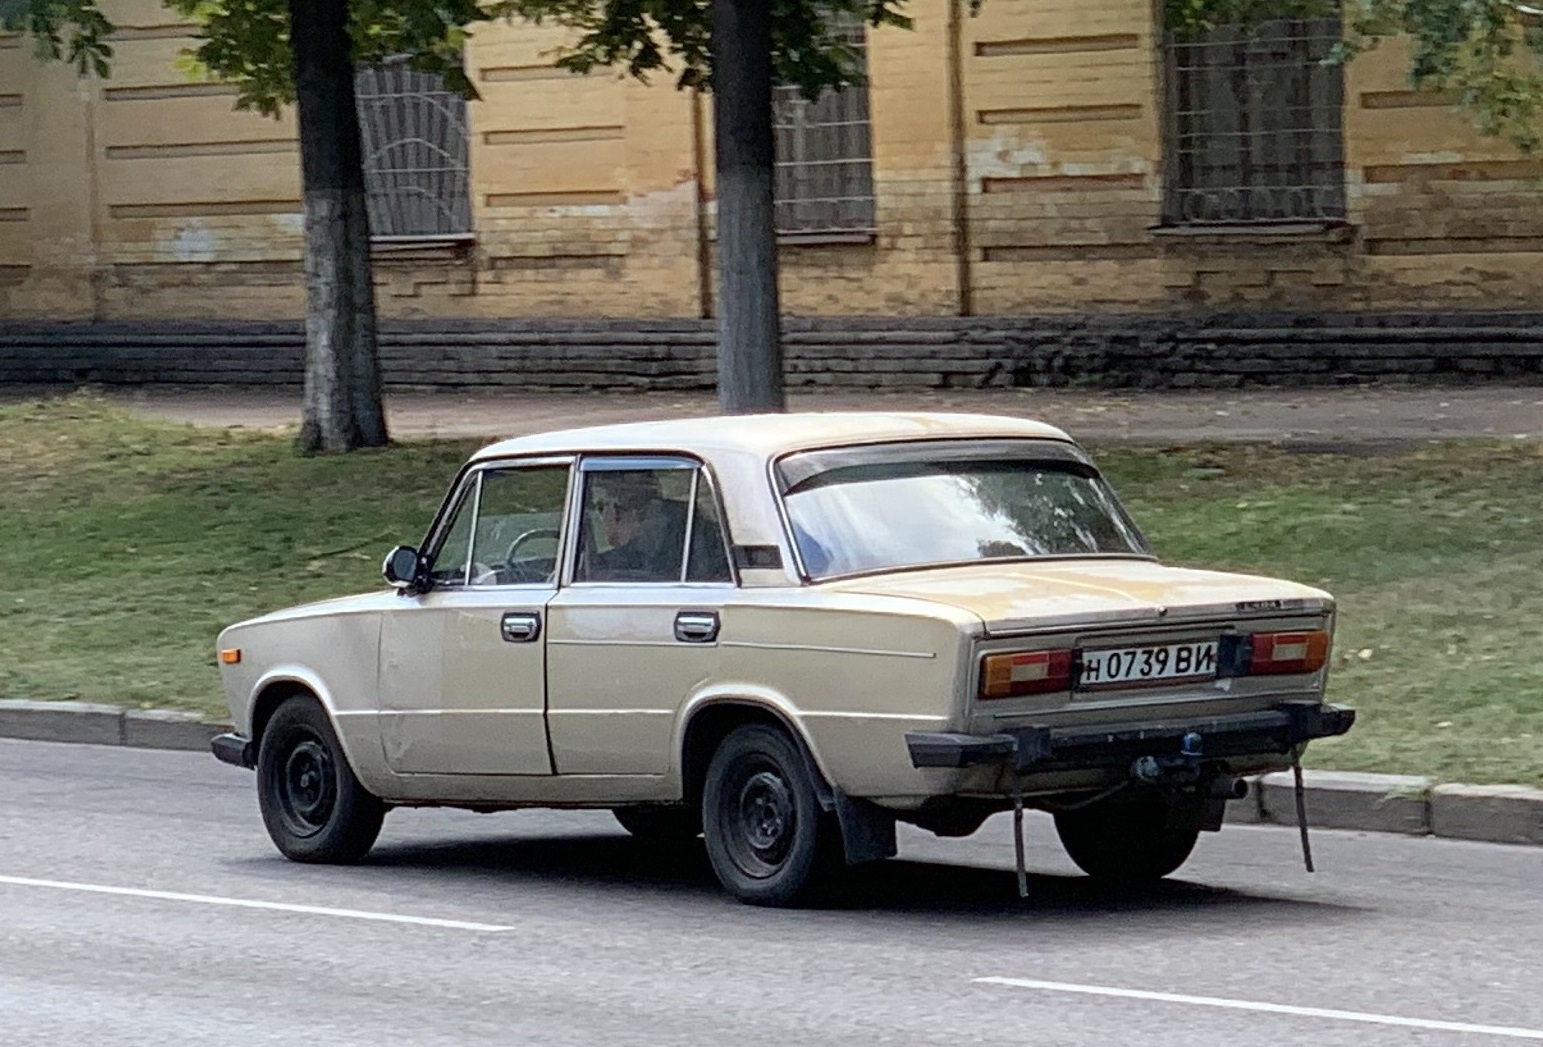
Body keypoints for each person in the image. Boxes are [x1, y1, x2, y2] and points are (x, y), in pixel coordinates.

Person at [585, 472, 679, 581]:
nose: (602, 518)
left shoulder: (607, 570)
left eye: (600, 508)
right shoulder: (688, 545)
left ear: (617, 512)